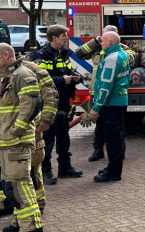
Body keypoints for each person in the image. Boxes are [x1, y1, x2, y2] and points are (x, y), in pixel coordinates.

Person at [0, 43, 44, 232]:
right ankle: (19, 222)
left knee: (20, 184)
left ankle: (33, 229)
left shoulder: (22, 74)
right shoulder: (4, 76)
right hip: (4, 143)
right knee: (9, 185)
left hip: (16, 142)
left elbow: (32, 105)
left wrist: (16, 131)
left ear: (6, 55)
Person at [76, 25, 136, 162]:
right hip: (95, 92)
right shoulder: (97, 48)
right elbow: (79, 54)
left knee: (115, 129)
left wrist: (122, 46)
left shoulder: (122, 51)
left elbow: (132, 59)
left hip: (110, 95)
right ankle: (98, 150)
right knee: (99, 126)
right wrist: (95, 42)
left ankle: (117, 154)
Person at [35, 25, 82, 184]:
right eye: (63, 36)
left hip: (63, 102)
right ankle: (45, 171)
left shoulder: (64, 54)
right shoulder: (43, 56)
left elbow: (67, 71)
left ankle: (65, 168)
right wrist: (63, 80)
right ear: (54, 38)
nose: (66, 38)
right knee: (47, 138)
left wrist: (76, 78)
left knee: (63, 135)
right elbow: (40, 80)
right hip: (50, 103)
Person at [89, 32, 130, 182]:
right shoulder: (121, 54)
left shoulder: (112, 59)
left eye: (103, 41)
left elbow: (106, 86)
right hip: (118, 101)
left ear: (111, 41)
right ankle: (112, 168)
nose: (101, 43)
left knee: (113, 139)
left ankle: (113, 172)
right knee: (116, 137)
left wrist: (96, 107)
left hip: (111, 103)